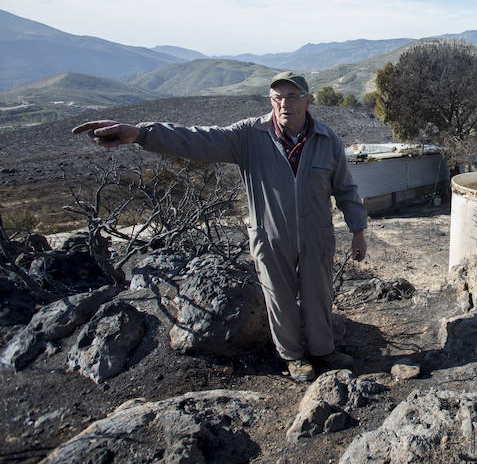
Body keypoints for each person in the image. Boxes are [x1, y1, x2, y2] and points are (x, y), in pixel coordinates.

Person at [73, 71, 368, 383]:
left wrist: (358, 230)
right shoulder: (248, 136)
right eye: (277, 98)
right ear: (271, 102)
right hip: (269, 236)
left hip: (316, 235)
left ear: (308, 101)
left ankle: (323, 351)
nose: (284, 104)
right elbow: (197, 139)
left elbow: (345, 189)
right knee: (278, 298)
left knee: (318, 294)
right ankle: (294, 357)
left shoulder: (327, 140)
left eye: (292, 97)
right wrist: (141, 134)